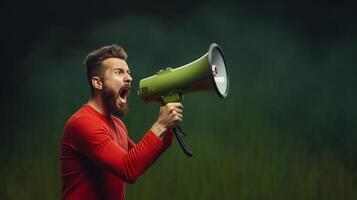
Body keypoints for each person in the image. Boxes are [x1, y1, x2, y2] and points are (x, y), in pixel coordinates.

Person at [60, 44, 183, 200]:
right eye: (119, 72)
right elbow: (128, 169)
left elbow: (138, 161)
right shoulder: (83, 123)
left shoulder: (118, 124)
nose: (129, 78)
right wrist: (161, 125)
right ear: (98, 83)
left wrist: (169, 127)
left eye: (128, 73)